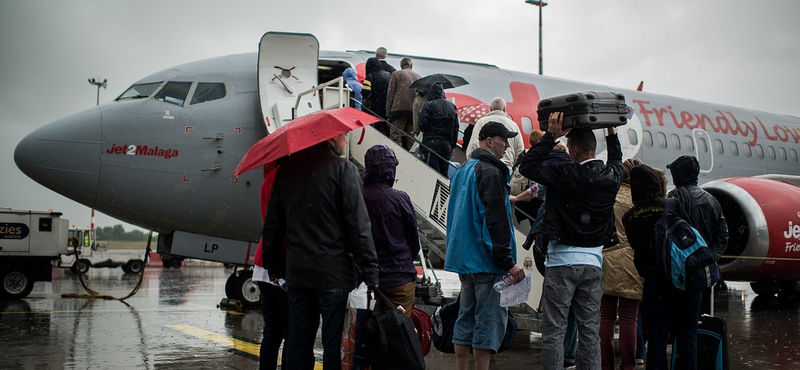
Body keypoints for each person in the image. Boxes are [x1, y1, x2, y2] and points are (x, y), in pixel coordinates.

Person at [262, 133, 379, 370]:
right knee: (333, 343)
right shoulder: (343, 170)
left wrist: (273, 266)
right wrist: (370, 270)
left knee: (298, 341)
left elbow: (273, 226)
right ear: (332, 137)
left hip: (298, 272)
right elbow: (359, 225)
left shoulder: (287, 171)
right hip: (334, 271)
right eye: (344, 136)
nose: (346, 140)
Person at [519, 112, 623, 370]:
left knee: (555, 330)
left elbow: (527, 167)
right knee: (589, 330)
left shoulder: (563, 174)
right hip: (593, 263)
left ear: (573, 150)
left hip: (561, 263)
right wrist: (611, 131)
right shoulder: (611, 177)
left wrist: (551, 136)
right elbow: (617, 159)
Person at [444, 121, 525, 370]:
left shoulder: (463, 171)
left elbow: (453, 217)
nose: (508, 145)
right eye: (504, 139)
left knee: (465, 317)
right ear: (490, 141)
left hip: (464, 259)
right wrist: (508, 262)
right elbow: (496, 222)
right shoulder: (491, 172)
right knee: (487, 321)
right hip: (486, 261)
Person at [623, 163, 697, 370]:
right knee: (687, 337)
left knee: (656, 338)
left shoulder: (629, 217)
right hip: (682, 279)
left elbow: (639, 249)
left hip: (654, 283)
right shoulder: (673, 205)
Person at [361, 144, 420, 317]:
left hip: (366, 280)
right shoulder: (399, 198)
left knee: (367, 332)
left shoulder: (357, 196)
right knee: (397, 332)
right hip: (399, 275)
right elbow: (413, 239)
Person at [666, 155, 729, 315]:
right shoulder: (712, 200)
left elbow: (665, 231)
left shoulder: (674, 197)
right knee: (702, 318)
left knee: (680, 321)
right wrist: (711, 257)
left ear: (678, 175)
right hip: (703, 271)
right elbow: (723, 234)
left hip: (681, 271)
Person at [599, 158, 644, 370]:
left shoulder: (608, 196)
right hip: (631, 261)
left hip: (605, 258)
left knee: (605, 317)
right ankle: (628, 365)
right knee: (629, 318)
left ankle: (605, 364)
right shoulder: (640, 199)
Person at [252, 168, 288, 370]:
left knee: (272, 331)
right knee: (292, 331)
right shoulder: (290, 179)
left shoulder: (268, 180)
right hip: (280, 262)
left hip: (263, 259)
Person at [466, 97, 525, 171]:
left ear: (490, 109)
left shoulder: (481, 122)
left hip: (483, 168)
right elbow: (520, 152)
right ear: (504, 109)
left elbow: (473, 146)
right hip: (506, 168)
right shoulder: (514, 125)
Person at [418, 82, 458, 177]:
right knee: (443, 175)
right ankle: (441, 191)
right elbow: (455, 128)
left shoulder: (429, 105)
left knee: (432, 174)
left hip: (431, 143)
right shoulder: (452, 107)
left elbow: (422, 125)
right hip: (446, 146)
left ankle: (431, 191)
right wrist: (452, 145)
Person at [386, 57, 422, 149]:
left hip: (398, 109)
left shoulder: (396, 74)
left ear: (401, 66)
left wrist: (388, 113)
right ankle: (411, 158)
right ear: (411, 65)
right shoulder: (418, 77)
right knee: (411, 139)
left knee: (395, 136)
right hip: (412, 111)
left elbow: (390, 94)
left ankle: (396, 155)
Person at [362, 57, 391, 134]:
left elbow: (365, 93)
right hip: (386, 106)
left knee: (376, 128)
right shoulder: (388, 75)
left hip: (374, 106)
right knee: (385, 128)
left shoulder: (370, 76)